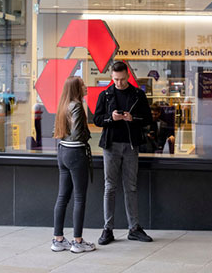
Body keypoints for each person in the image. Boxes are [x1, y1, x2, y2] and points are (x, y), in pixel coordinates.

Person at [93, 61, 153, 245]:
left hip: (130, 145)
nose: (118, 83)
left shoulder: (138, 94)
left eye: (122, 79)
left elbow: (148, 119)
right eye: (115, 79)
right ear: (111, 77)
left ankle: (134, 228)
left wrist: (132, 118)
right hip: (111, 145)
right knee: (109, 187)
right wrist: (110, 118)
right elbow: (97, 119)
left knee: (131, 187)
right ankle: (107, 229)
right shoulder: (105, 95)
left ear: (128, 76)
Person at [51, 76, 96, 253]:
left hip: (62, 152)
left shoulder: (63, 105)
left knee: (63, 197)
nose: (86, 87)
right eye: (83, 85)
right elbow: (77, 134)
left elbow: (57, 131)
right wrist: (87, 134)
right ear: (77, 88)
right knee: (79, 198)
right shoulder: (77, 106)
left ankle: (58, 239)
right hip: (76, 153)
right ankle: (77, 241)